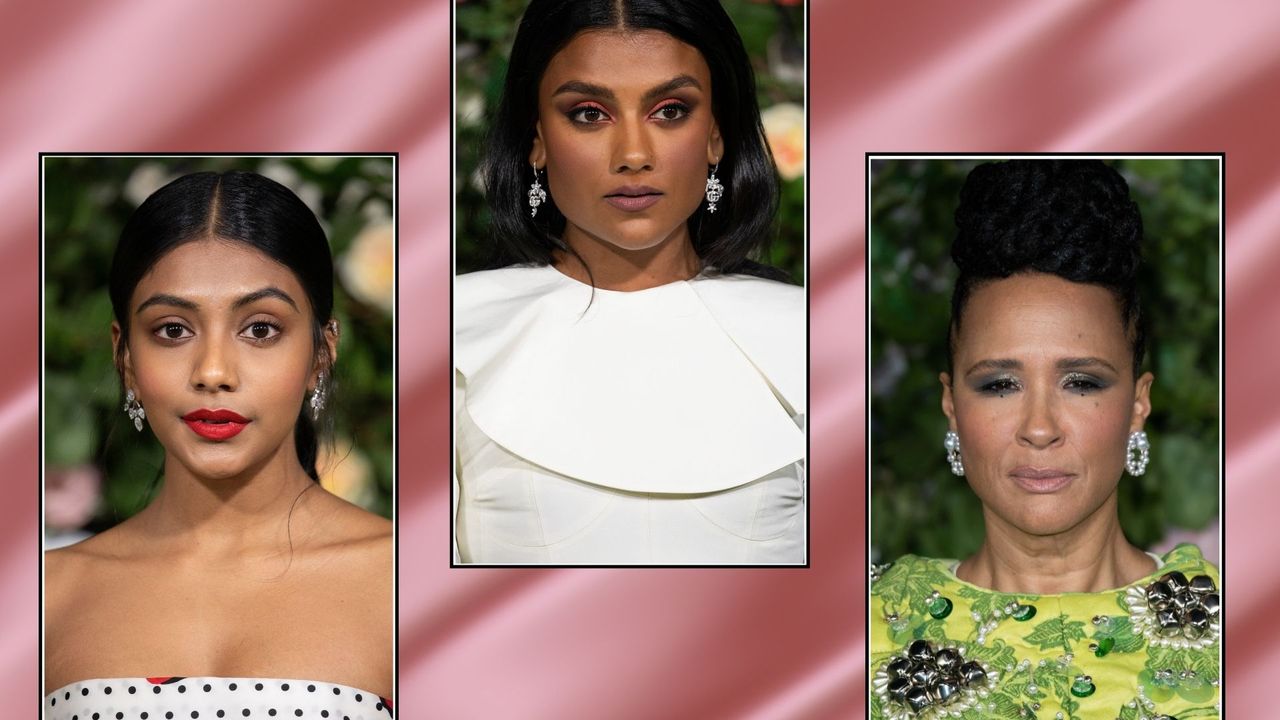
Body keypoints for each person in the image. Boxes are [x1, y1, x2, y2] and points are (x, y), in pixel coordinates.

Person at [454, 0, 806, 564]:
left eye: (670, 110)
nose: (634, 155)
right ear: (536, 139)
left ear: (716, 133)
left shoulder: (809, 333)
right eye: (590, 114)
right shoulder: (455, 333)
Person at [869, 160, 1219, 720]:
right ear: (951, 406)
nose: (1038, 427)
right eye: (999, 384)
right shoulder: (869, 624)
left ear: (1138, 404)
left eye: (1081, 383)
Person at [44, 171, 393, 718]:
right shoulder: (48, 595)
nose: (213, 371)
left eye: (259, 329)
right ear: (125, 357)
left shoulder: (406, 581)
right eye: (172, 330)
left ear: (322, 353)